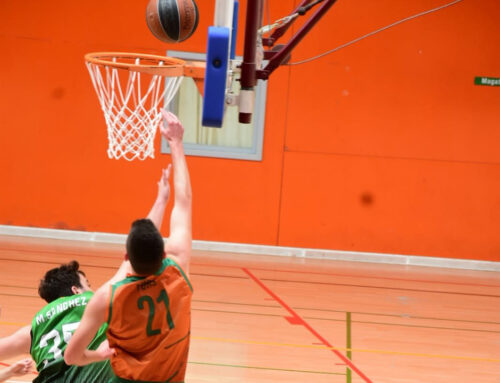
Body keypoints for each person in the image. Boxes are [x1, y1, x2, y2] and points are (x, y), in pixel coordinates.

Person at [65, 110, 193, 383]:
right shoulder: (178, 269)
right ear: (164, 252)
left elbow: (71, 357)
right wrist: (176, 144)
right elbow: (185, 200)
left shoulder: (107, 297)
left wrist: (98, 355)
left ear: (126, 256)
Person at [0, 260, 115, 382]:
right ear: (76, 291)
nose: (92, 290)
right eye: (88, 285)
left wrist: (7, 373)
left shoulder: (32, 331)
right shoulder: (97, 305)